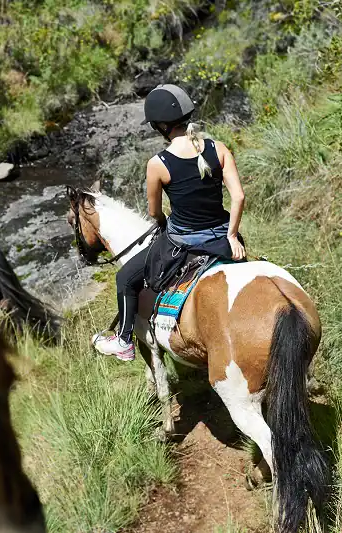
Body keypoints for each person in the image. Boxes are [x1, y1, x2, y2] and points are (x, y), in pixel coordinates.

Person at [92, 84, 247, 361]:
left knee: (125, 278)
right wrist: (233, 236)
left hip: (183, 242)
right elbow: (239, 196)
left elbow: (154, 212)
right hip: (223, 238)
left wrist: (164, 221)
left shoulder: (157, 164)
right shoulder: (218, 148)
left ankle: (125, 340)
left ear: (161, 126)